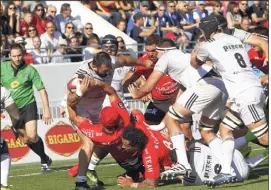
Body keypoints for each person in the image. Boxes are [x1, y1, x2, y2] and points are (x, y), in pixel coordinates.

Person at [128, 38, 228, 179]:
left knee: (173, 119)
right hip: (221, 86)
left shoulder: (166, 57)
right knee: (206, 131)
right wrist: (165, 121)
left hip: (205, 86)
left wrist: (137, 94)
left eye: (156, 52)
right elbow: (180, 94)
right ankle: (227, 168)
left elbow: (150, 85)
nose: (155, 55)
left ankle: (183, 164)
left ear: (163, 50)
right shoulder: (182, 57)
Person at [194, 14, 268, 186]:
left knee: (264, 139)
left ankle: (227, 172)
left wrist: (194, 54)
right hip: (249, 89)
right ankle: (226, 172)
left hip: (245, 94)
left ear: (206, 30)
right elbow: (260, 42)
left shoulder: (207, 46)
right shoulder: (234, 37)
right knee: (225, 129)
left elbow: (194, 63)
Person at [67, 77, 143, 190]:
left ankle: (82, 176)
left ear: (100, 121)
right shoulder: (125, 121)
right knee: (137, 114)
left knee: (90, 145)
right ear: (118, 119)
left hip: (128, 163)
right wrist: (99, 83)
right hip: (141, 158)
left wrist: (77, 93)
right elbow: (112, 92)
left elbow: (73, 115)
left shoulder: (96, 134)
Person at [1, 43, 53, 173]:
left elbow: (41, 90)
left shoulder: (30, 70)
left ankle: (43, 162)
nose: (17, 58)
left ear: (23, 55)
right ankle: (45, 157)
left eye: (19, 55)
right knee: (25, 139)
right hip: (12, 108)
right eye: (14, 56)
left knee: (32, 135)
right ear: (9, 56)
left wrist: (46, 109)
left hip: (28, 104)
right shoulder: (2, 67)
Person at [117, 109, 173, 188]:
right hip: (169, 148)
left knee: (178, 175)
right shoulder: (140, 125)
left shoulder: (149, 154)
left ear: (135, 145)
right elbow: (135, 111)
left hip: (177, 162)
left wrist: (131, 184)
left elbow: (152, 183)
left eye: (125, 144)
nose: (123, 147)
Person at [1, 86, 22, 190]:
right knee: (4, 152)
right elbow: (16, 117)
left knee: (3, 150)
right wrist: (15, 128)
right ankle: (3, 186)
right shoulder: (3, 91)